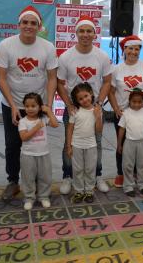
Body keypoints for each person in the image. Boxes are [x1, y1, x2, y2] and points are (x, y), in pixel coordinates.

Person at [0, 5, 58, 201]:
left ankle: (37, 182)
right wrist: (13, 106)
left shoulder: (48, 47)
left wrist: (47, 104)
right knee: (13, 144)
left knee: (38, 144)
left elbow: (52, 78)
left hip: (36, 106)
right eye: (25, 22)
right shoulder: (5, 46)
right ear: (19, 24)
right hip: (12, 104)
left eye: (33, 23)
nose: (29, 26)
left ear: (39, 26)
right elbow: (2, 78)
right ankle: (13, 181)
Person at [57, 15, 112, 195]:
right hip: (74, 108)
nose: (85, 34)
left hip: (94, 108)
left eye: (89, 31)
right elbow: (59, 83)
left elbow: (107, 82)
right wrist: (68, 105)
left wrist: (99, 103)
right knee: (69, 143)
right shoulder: (66, 57)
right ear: (76, 33)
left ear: (94, 34)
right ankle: (68, 176)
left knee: (96, 142)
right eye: (82, 31)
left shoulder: (102, 56)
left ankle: (96, 175)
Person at [109, 35, 143, 189]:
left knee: (139, 143)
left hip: (141, 113)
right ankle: (121, 173)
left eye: (137, 49)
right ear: (124, 50)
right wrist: (116, 108)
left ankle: (136, 174)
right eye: (130, 48)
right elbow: (111, 90)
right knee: (122, 143)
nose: (133, 52)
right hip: (123, 114)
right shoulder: (116, 69)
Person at [18, 93, 59, 211]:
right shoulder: (23, 121)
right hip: (28, 155)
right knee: (28, 177)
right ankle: (29, 198)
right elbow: (24, 137)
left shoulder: (43, 119)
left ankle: (44, 196)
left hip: (44, 153)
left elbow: (55, 124)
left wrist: (49, 111)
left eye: (33, 106)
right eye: (27, 106)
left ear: (40, 107)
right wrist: (36, 128)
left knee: (45, 176)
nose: (30, 109)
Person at [66, 83, 103, 204]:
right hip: (76, 145)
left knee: (90, 169)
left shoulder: (97, 110)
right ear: (77, 101)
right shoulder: (75, 112)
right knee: (77, 169)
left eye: (86, 96)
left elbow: (98, 130)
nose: (84, 100)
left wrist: (97, 116)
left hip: (91, 145)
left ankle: (89, 191)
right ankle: (79, 191)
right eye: (80, 99)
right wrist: (69, 146)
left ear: (91, 94)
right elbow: (70, 129)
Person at [117, 89, 143, 197]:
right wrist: (119, 144)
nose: (137, 104)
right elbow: (121, 130)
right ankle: (128, 186)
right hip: (129, 142)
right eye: (134, 102)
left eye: (139, 102)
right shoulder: (125, 113)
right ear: (129, 101)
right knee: (127, 165)